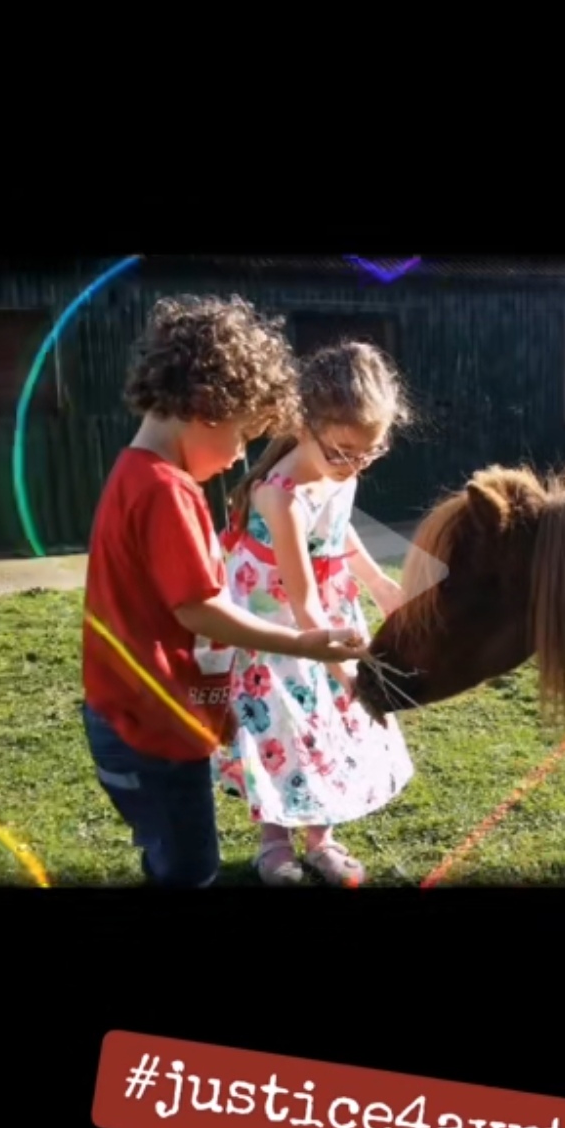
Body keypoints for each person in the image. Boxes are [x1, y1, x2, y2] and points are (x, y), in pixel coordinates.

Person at [81, 295, 366, 888]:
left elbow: (175, 615)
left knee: (171, 854)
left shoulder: (137, 473)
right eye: (243, 436)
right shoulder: (166, 490)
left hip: (140, 718)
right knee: (191, 868)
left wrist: (221, 705)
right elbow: (202, 611)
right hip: (151, 732)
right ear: (207, 407)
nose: (242, 456)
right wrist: (306, 642)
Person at [212, 340, 415, 887]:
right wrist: (345, 674)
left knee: (327, 728)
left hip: (328, 615)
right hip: (278, 627)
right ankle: (273, 844)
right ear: (304, 425)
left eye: (369, 454)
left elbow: (338, 528)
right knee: (283, 727)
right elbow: (300, 603)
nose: (355, 466)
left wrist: (378, 585)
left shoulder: (339, 468)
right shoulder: (279, 495)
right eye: (345, 453)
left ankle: (321, 839)